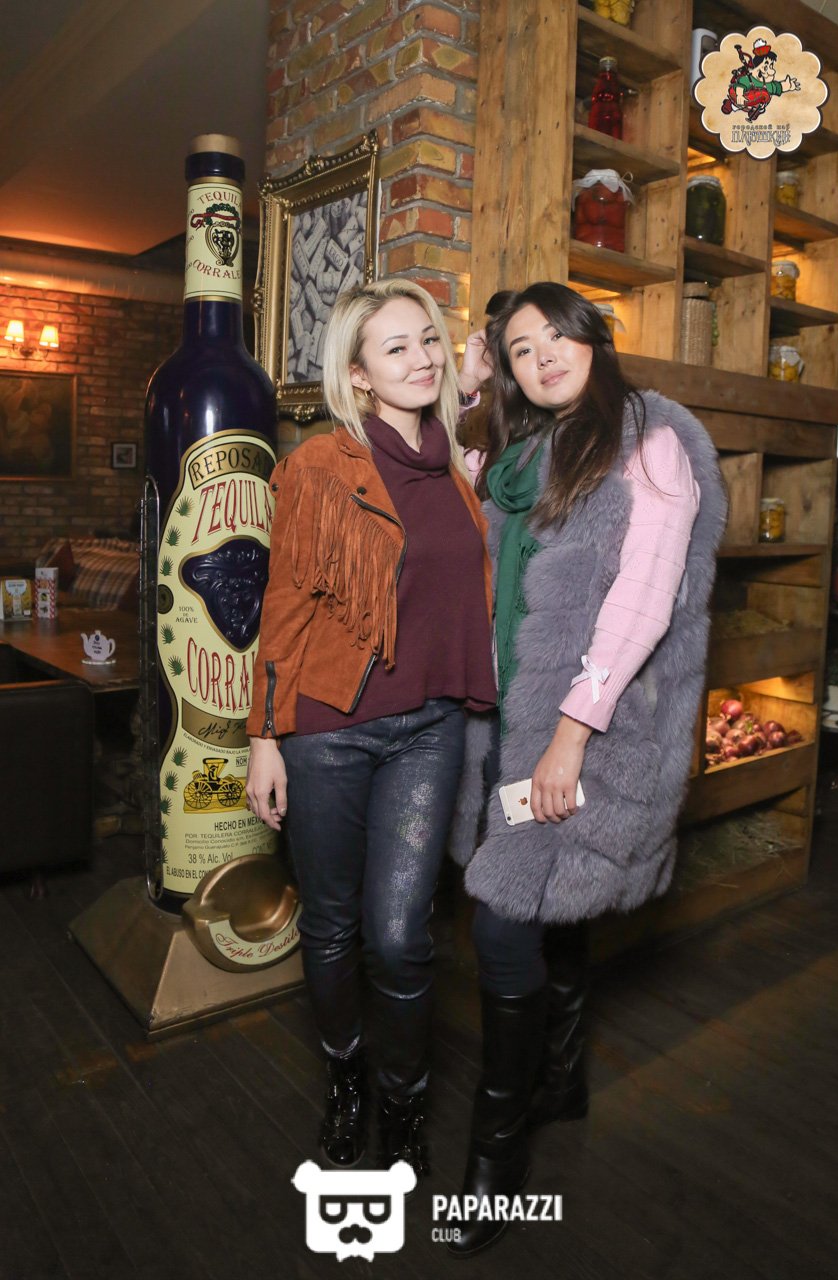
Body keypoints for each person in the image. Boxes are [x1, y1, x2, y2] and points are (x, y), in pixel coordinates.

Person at [447, 281, 727, 1255]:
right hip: (501, 716)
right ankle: (562, 1078)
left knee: (501, 923)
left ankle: (494, 1158)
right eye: (519, 349)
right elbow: (446, 485)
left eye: (554, 336)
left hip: (581, 725)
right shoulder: (518, 455)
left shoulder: (649, 437)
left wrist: (569, 732)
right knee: (547, 905)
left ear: (592, 337)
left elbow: (646, 596)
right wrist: (467, 384)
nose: (541, 357)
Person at [244, 278, 496, 1176]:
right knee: (330, 926)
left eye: (428, 339)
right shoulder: (321, 465)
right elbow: (283, 605)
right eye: (396, 348)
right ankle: (347, 1077)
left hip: (428, 728)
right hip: (329, 730)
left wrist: (478, 378)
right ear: (357, 375)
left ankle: (404, 1095)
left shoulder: (453, 460)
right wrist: (264, 738)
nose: (421, 358)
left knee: (400, 936)